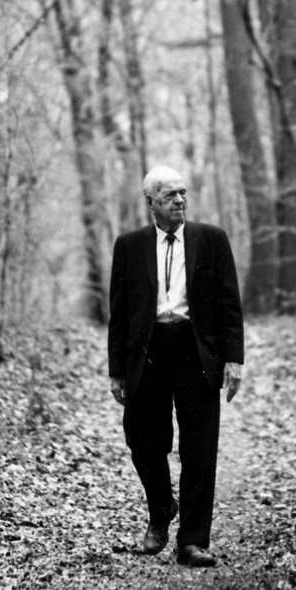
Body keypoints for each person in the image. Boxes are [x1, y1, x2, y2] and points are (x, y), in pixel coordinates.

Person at [108, 164, 244, 568]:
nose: (180, 200)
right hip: (147, 351)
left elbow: (230, 303)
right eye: (170, 195)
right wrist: (116, 370)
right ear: (151, 202)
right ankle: (162, 506)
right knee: (142, 438)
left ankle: (192, 542)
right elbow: (119, 312)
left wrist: (234, 359)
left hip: (195, 350)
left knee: (199, 445)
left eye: (183, 193)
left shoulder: (212, 239)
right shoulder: (129, 245)